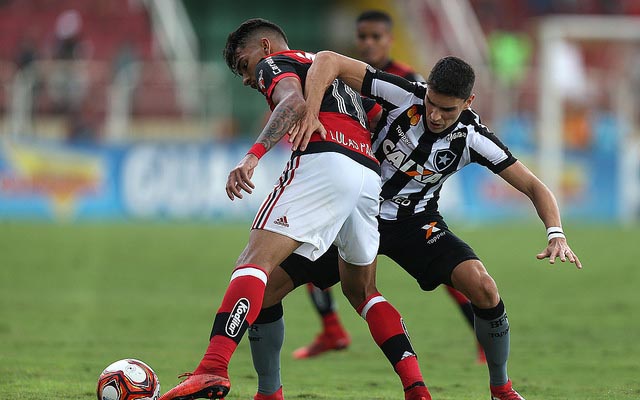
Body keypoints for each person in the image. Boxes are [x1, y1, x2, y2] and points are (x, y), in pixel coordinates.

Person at [159, 18, 432, 400]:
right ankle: (416, 388)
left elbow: (293, 103)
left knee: (253, 263)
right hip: (367, 176)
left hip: (324, 162)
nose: (245, 77)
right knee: (362, 291)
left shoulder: (278, 63)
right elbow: (378, 120)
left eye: (243, 64)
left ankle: (212, 368)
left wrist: (253, 156)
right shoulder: (338, 79)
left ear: (266, 47)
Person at [293, 51, 582, 399]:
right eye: (432, 103)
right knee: (266, 291)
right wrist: (310, 112)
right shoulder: (404, 94)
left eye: (448, 109)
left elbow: (535, 186)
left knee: (485, 288)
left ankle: (501, 388)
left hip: (415, 223)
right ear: (426, 89)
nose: (435, 115)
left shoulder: (474, 136)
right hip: (353, 212)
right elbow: (329, 61)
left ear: (468, 102)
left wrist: (556, 233)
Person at [294, 10, 485, 363]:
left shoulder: (412, 85)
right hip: (356, 188)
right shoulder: (346, 74)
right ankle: (332, 329)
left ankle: (480, 335)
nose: (367, 43)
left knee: (447, 271)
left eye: (375, 37)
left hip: (401, 203)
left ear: (389, 40)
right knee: (310, 246)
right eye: (362, 36)